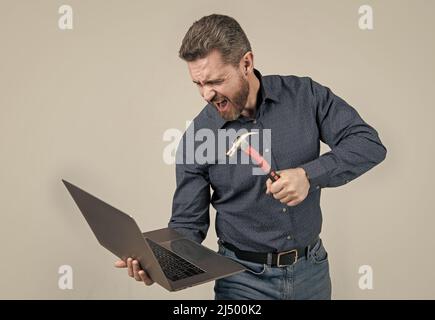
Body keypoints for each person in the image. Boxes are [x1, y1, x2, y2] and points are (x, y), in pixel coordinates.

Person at [115, 14, 387, 300]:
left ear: (246, 63)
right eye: (198, 83)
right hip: (242, 281)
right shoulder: (197, 136)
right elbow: (187, 226)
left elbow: (368, 143)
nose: (206, 94)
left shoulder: (305, 96)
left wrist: (309, 175)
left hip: (312, 273)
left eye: (215, 81)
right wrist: (159, 261)